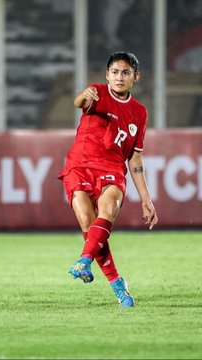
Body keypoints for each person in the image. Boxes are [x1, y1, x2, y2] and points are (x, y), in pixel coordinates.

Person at [57, 52, 158, 307]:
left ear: (136, 77)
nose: (119, 77)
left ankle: (84, 260)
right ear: (107, 75)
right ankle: (117, 283)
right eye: (114, 72)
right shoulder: (97, 93)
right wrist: (84, 95)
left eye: (125, 72)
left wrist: (146, 198)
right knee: (88, 223)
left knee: (109, 209)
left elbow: (135, 160)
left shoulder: (139, 113)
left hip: (112, 168)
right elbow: (79, 101)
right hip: (79, 165)